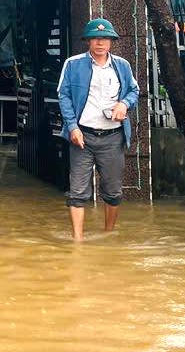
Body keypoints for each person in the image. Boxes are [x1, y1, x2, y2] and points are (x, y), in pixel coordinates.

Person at [57, 18, 140, 241]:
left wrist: (124, 104)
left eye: (104, 39)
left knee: (113, 193)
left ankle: (109, 236)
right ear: (88, 41)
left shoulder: (122, 66)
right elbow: (63, 95)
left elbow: (134, 91)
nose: (100, 42)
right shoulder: (73, 64)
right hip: (82, 136)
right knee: (77, 193)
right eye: (95, 38)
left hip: (113, 137)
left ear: (111, 42)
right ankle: (77, 241)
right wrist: (72, 127)